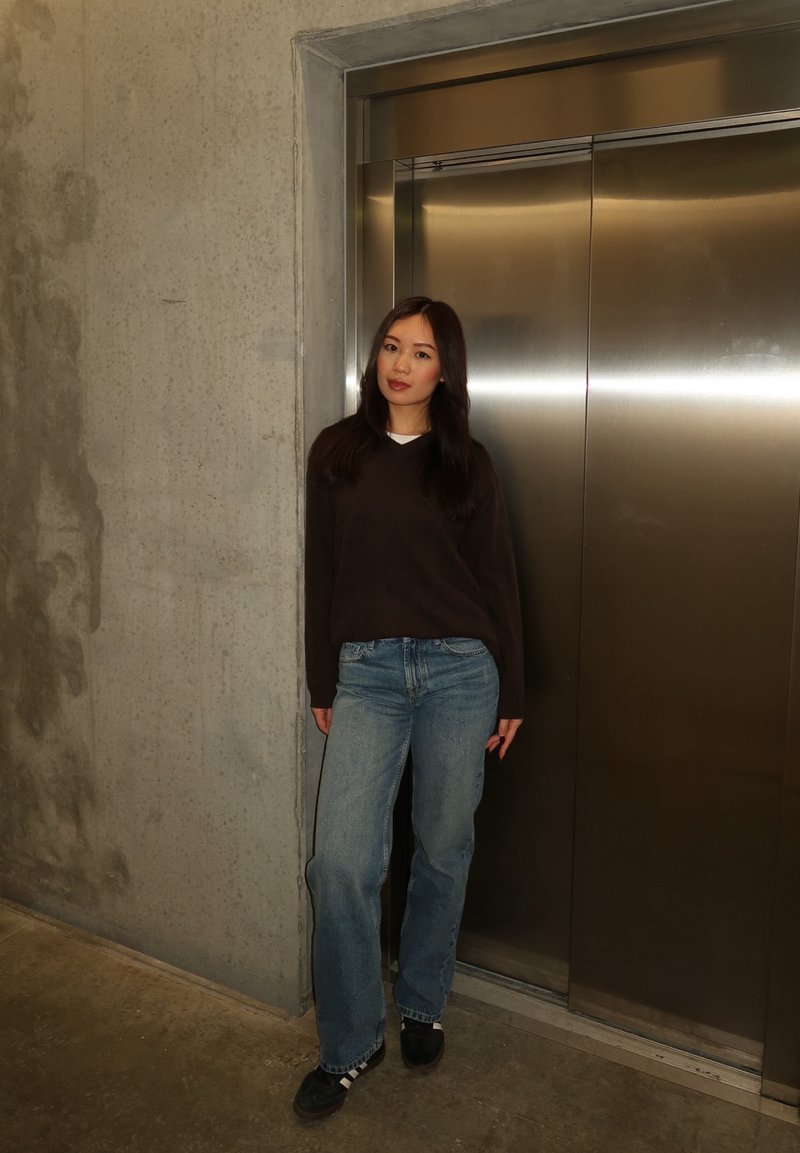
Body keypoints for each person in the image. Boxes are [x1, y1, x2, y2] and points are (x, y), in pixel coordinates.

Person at [294, 297, 524, 1120]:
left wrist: (514, 690)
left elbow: (497, 579)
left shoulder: (468, 462)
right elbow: (323, 570)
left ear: (444, 369)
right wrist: (324, 680)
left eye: (421, 353)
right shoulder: (338, 452)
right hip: (369, 675)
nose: (400, 363)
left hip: (463, 671)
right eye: (392, 346)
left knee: (443, 843)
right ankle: (353, 1039)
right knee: (341, 864)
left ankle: (423, 997)